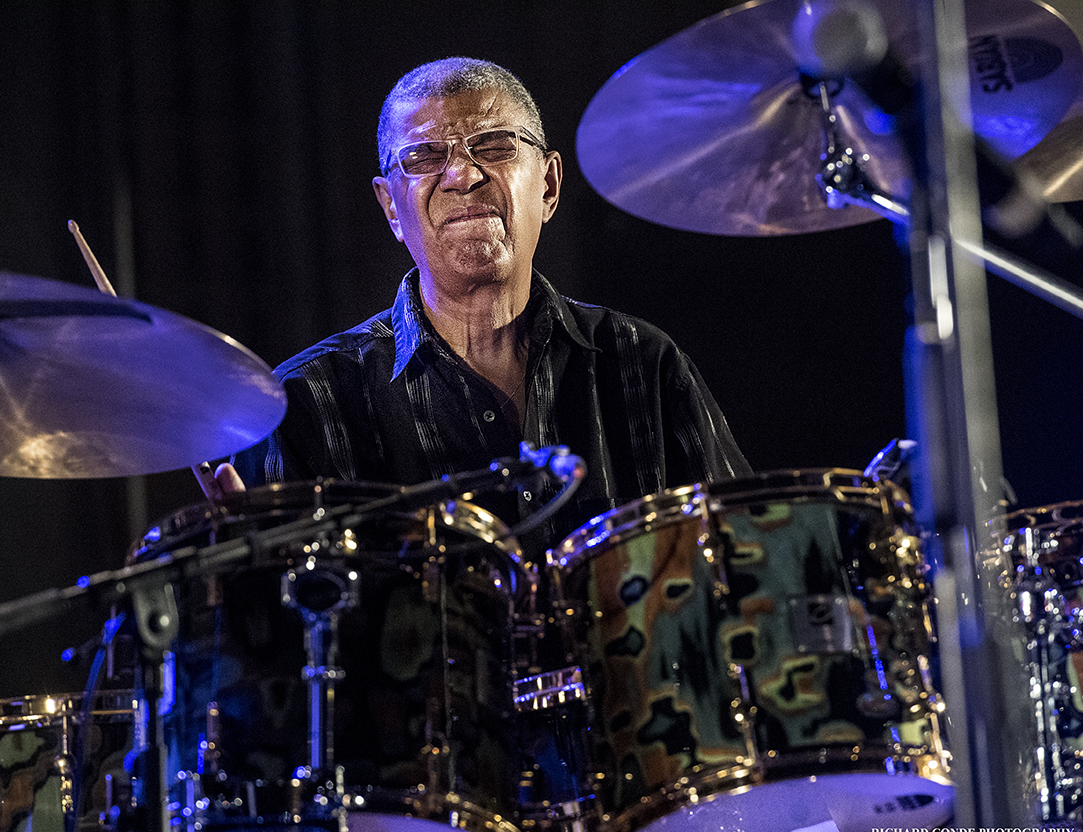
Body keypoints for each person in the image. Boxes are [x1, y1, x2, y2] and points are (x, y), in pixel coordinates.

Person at [218, 57, 747, 549]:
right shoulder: (305, 403)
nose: (462, 176)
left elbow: (746, 557)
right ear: (391, 208)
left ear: (548, 185)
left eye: (493, 145)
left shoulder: (642, 364)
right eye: (424, 156)